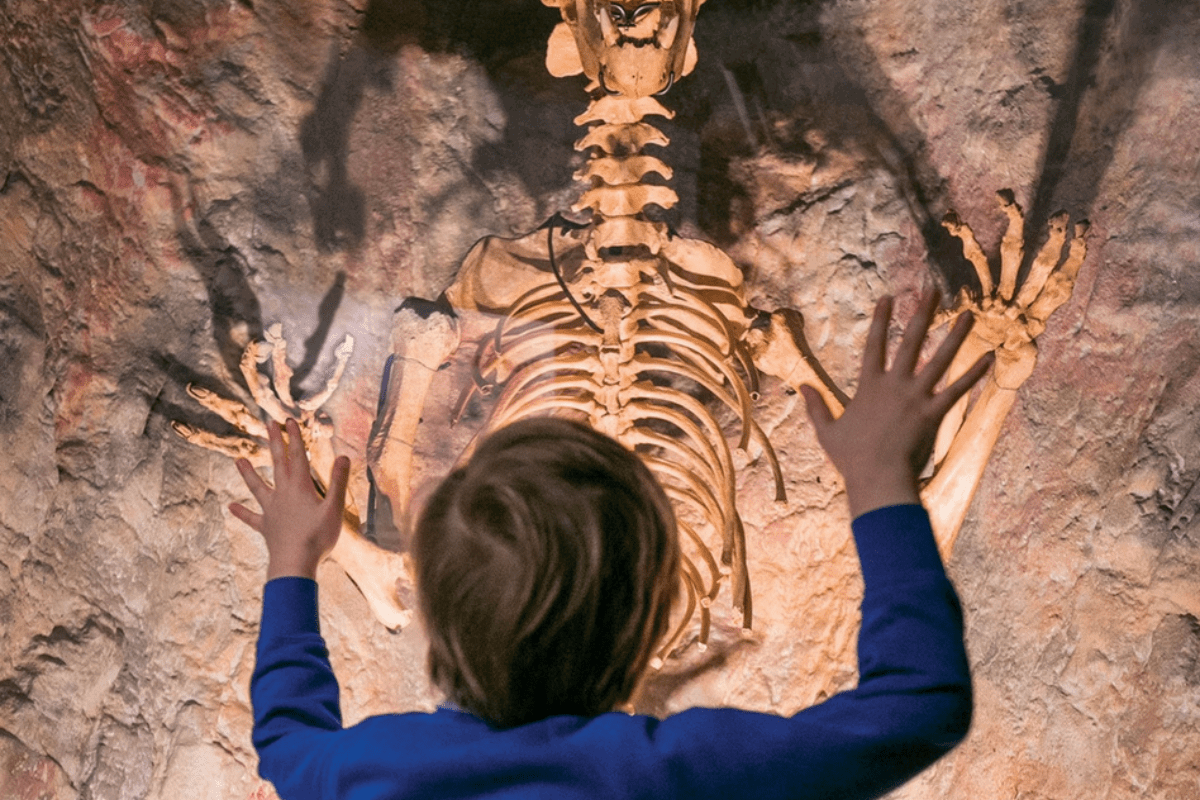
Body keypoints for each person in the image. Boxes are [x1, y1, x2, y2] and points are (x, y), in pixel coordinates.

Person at [234, 290, 993, 799]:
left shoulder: (373, 771)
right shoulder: (679, 773)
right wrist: (880, 483)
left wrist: (293, 561)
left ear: (434, 613)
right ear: (653, 616)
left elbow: (286, 734)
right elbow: (919, 703)